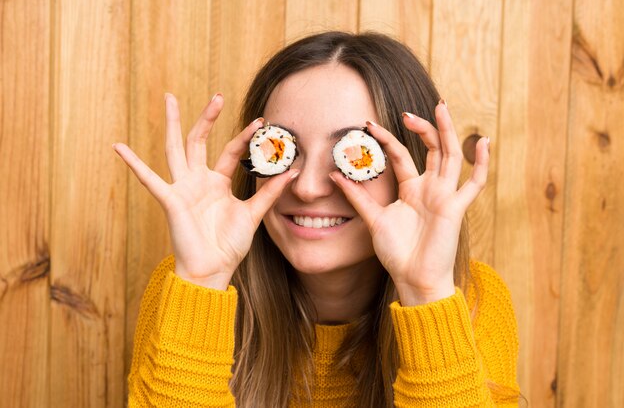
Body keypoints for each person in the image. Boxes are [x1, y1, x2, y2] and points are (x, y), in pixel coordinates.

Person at [114, 31, 521, 407]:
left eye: (354, 155)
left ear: (410, 168)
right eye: (280, 148)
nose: (308, 188)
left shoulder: (471, 301)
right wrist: (201, 284)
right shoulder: (189, 286)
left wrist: (426, 293)